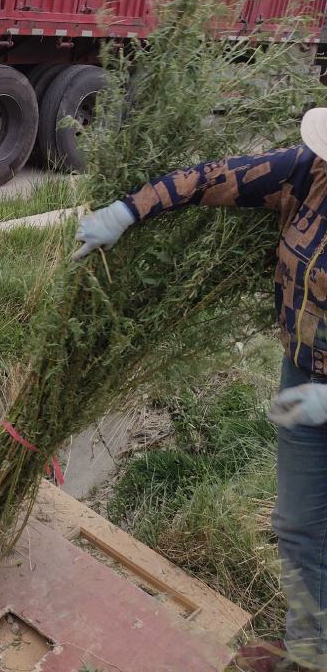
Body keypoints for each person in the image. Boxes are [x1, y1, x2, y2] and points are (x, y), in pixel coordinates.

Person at [73, 109, 327, 672]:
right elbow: (212, 177)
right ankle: (310, 651)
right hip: (305, 375)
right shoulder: (311, 174)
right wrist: (127, 211)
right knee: (299, 525)